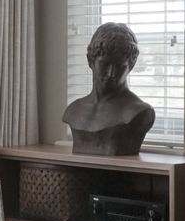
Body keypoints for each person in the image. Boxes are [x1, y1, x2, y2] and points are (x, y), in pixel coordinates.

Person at [62, 22, 155, 155]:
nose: (111, 73)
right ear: (90, 60)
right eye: (104, 64)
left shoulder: (139, 112)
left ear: (132, 65)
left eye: (120, 66)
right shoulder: (73, 110)